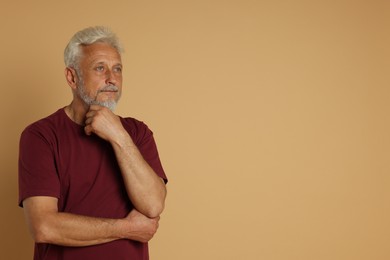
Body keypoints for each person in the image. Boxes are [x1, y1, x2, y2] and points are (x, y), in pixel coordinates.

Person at [18, 26, 168, 260]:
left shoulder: (137, 133)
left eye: (117, 69)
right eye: (100, 68)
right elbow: (43, 226)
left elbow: (153, 205)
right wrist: (127, 228)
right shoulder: (40, 136)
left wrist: (118, 135)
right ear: (72, 77)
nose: (112, 79)